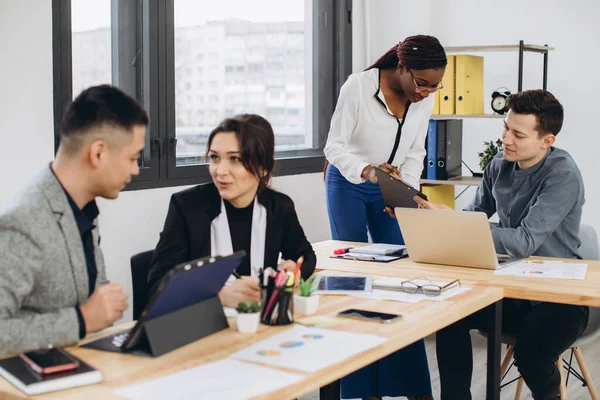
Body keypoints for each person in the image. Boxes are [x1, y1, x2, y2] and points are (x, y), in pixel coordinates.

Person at [415, 89, 589, 400]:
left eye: (518, 134)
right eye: (505, 128)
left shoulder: (563, 175)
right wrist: (447, 220)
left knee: (532, 355)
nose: (506, 139)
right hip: (512, 288)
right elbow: (475, 214)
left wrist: (466, 227)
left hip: (561, 299)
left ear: (546, 141)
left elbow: (524, 241)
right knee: (450, 315)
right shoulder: (499, 164)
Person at [323, 34, 447, 400]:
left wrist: (406, 192)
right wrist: (368, 172)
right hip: (349, 181)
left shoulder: (424, 99)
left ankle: (413, 389)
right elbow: (335, 146)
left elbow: (415, 152)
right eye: (421, 83)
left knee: (400, 281)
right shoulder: (358, 87)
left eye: (434, 86)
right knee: (354, 281)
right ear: (402, 67)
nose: (426, 92)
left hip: (390, 187)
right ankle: (360, 391)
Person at [0, 85, 148, 355]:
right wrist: (82, 320)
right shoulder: (23, 220)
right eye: (133, 157)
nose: (136, 169)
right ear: (98, 153)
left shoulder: (84, 205)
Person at [147, 114, 316, 308]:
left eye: (234, 159)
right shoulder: (187, 207)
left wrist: (294, 270)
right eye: (214, 158)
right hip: (205, 326)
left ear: (263, 167)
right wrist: (218, 296)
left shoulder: (278, 207)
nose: (220, 171)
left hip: (260, 321)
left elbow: (305, 255)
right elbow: (157, 287)